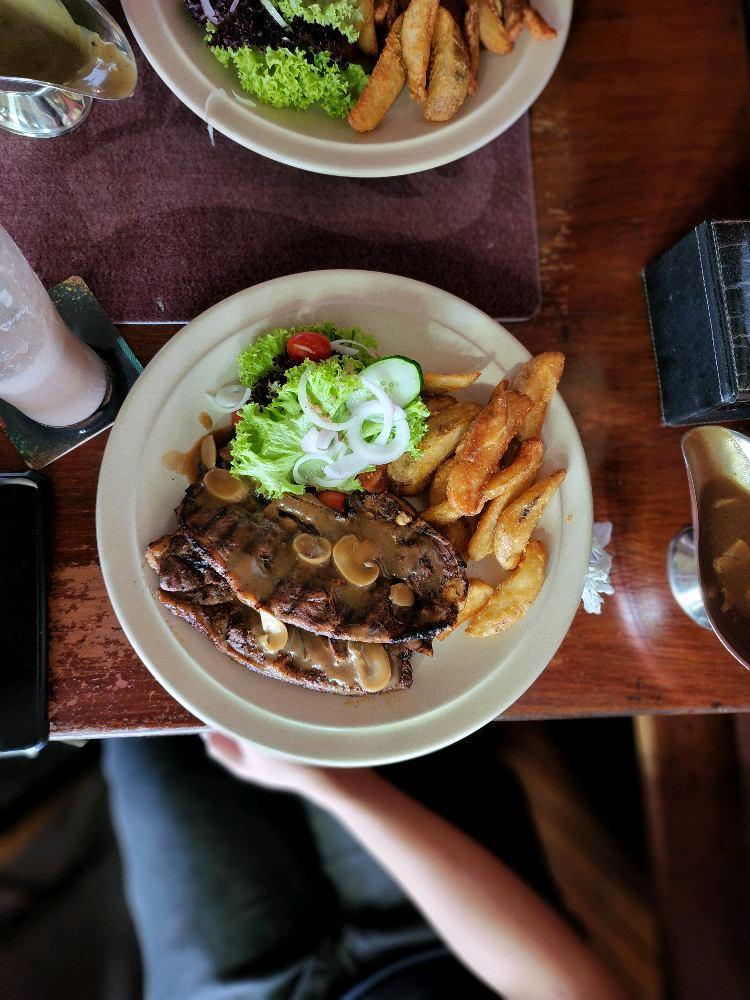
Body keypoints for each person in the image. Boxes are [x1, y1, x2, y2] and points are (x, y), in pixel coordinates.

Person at [103, 729, 626, 1000]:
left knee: (147, 745)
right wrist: (331, 785)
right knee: (352, 678)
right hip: (443, 956)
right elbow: (562, 989)